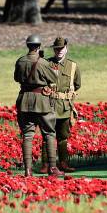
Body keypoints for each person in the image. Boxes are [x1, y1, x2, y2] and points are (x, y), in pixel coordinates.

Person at [14, 34, 64, 177]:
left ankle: (28, 171)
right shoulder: (43, 63)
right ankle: (53, 168)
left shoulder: (20, 61)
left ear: (28, 45)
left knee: (28, 135)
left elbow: (17, 78)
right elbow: (53, 78)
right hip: (42, 101)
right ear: (39, 46)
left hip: (24, 100)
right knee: (49, 133)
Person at [40, 36, 81, 173]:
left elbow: (77, 85)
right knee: (47, 136)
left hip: (64, 107)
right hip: (49, 105)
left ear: (66, 48)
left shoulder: (73, 66)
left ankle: (63, 163)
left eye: (61, 48)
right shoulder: (46, 63)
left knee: (63, 137)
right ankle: (46, 165)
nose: (59, 51)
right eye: (56, 49)